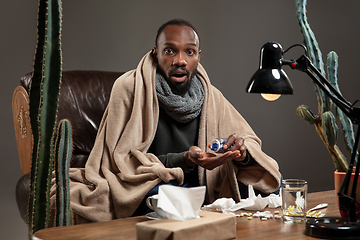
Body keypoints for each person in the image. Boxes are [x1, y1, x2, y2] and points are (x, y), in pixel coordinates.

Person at [55, 19, 281, 224]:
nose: (180, 60)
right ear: (156, 54)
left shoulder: (211, 95)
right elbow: (119, 161)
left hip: (203, 186)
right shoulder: (129, 88)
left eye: (189, 52)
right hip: (156, 186)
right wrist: (184, 159)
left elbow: (248, 140)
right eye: (170, 51)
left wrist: (240, 155)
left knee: (273, 180)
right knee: (166, 198)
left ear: (198, 56)